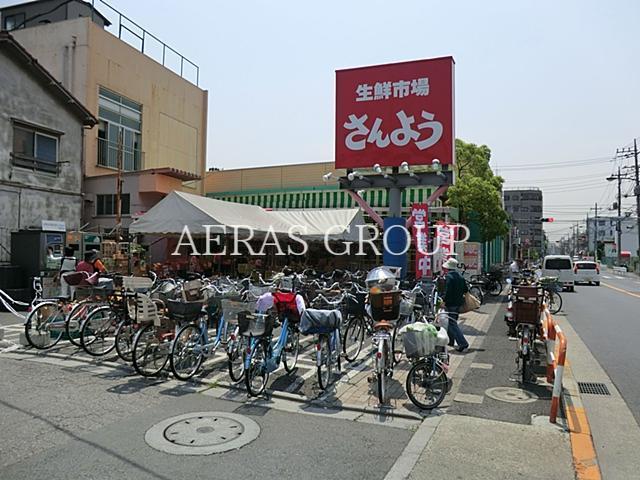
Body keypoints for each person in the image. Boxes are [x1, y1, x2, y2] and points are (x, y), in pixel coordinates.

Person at [442, 257, 469, 353]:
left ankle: (463, 343)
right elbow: (465, 289)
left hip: (451, 303)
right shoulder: (460, 276)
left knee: (452, 323)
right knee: (452, 321)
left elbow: (448, 291)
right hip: (459, 303)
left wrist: (444, 301)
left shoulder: (449, 277)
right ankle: (451, 341)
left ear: (448, 268)